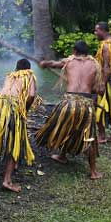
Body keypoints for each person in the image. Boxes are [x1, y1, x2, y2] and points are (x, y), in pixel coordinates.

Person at [36, 41, 102, 180]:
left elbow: (52, 63)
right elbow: (99, 89)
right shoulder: (95, 64)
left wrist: (44, 63)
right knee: (89, 136)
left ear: (74, 51)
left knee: (64, 127)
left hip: (69, 102)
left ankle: (61, 155)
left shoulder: (69, 61)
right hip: (86, 104)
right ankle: (93, 172)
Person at [0, 59, 37, 193]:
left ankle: (13, 163)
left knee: (7, 136)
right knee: (14, 141)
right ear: (28, 69)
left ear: (16, 68)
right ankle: (7, 180)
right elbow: (32, 95)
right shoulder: (29, 75)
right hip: (13, 107)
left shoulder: (10, 76)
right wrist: (25, 109)